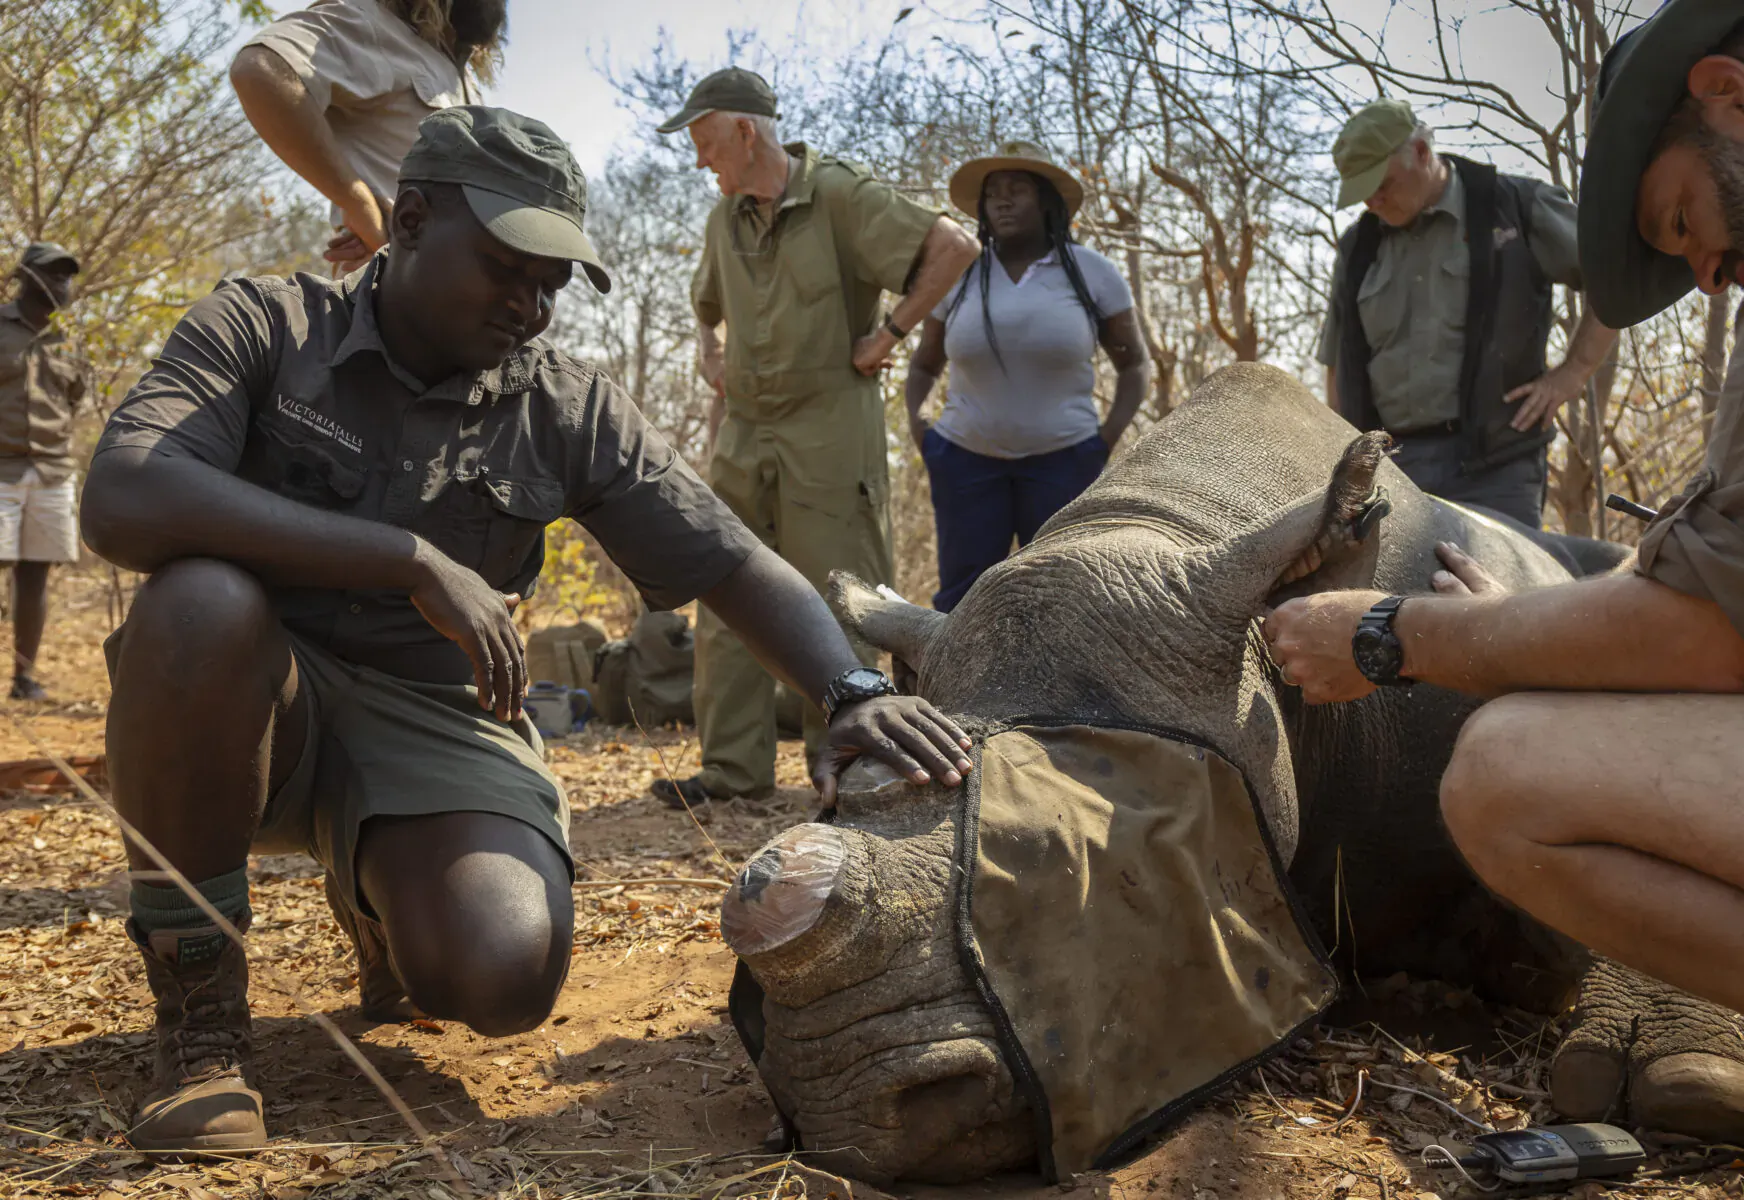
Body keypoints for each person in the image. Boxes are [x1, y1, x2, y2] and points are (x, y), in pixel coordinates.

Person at [83, 107, 974, 1154]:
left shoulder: (564, 402)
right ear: (408, 220)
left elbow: (730, 559)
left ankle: (382, 903)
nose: (533, 306)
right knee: (198, 605)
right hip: (253, 703)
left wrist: (854, 693)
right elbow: (124, 494)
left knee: (501, 975)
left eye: (554, 283)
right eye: (511, 268)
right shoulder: (266, 327)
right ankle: (201, 1025)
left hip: (435, 712)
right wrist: (403, 556)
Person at [1262, 0, 1744, 1032]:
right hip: (1400, 457)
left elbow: (1698, 642)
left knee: (1506, 773)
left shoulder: (1509, 202)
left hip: (1491, 450)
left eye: (1681, 223)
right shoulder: (1359, 249)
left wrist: (1386, 634)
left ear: (1732, 98)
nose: (1716, 280)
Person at [652, 67, 981, 807]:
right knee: (722, 579)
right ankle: (731, 770)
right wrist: (710, 350)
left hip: (830, 423)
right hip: (745, 429)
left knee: (841, 595)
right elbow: (704, 303)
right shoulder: (722, 217)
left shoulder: (838, 194)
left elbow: (954, 247)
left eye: (706, 142)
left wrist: (889, 332)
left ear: (746, 131)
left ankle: (848, 764)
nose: (701, 160)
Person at [1317, 99, 1619, 529]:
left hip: (1497, 468)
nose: (1373, 200)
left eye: (1382, 183)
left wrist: (1573, 371)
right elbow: (1338, 372)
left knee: (1501, 596)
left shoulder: (1514, 205)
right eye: (1363, 191)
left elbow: (1617, 276)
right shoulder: (1356, 248)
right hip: (1390, 473)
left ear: (1421, 152)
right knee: (1383, 598)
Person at [904, 141, 1150, 611]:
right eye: (993, 191)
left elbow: (1134, 364)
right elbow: (923, 364)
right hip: (964, 464)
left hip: (1065, 466)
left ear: (1046, 201)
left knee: (1066, 601)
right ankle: (949, 688)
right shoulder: (956, 274)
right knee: (963, 606)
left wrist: (1102, 441)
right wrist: (923, 433)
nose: (1002, 199)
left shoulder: (1090, 273)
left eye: (1018, 188)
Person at [230, 0, 506, 273]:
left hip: (459, 299)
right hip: (387, 296)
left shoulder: (465, 80)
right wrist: (359, 203)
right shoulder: (372, 22)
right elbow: (260, 69)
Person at [0, 243, 87, 701]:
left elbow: (74, 399)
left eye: (67, 277)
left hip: (53, 471)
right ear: (25, 277)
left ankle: (23, 679)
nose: (62, 286)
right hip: (1, 470)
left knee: (35, 577)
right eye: (53, 275)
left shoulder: (70, 340)